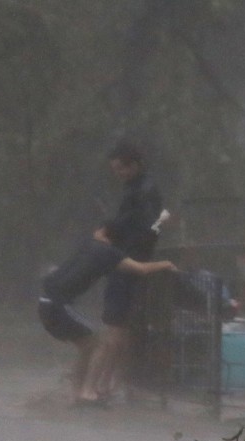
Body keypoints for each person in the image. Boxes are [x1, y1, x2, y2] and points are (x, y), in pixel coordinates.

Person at [38, 235, 176, 407]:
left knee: (88, 346)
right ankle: (87, 393)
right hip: (57, 305)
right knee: (99, 343)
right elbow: (141, 269)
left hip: (49, 304)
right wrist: (167, 264)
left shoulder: (93, 249)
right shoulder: (109, 254)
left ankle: (78, 394)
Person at [83, 141, 164, 404]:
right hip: (133, 260)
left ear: (135, 165)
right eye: (115, 170)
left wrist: (108, 230)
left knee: (114, 328)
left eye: (121, 169)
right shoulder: (139, 188)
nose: (118, 174)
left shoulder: (143, 191)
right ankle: (112, 384)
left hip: (127, 262)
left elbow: (139, 224)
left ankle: (94, 387)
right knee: (123, 329)